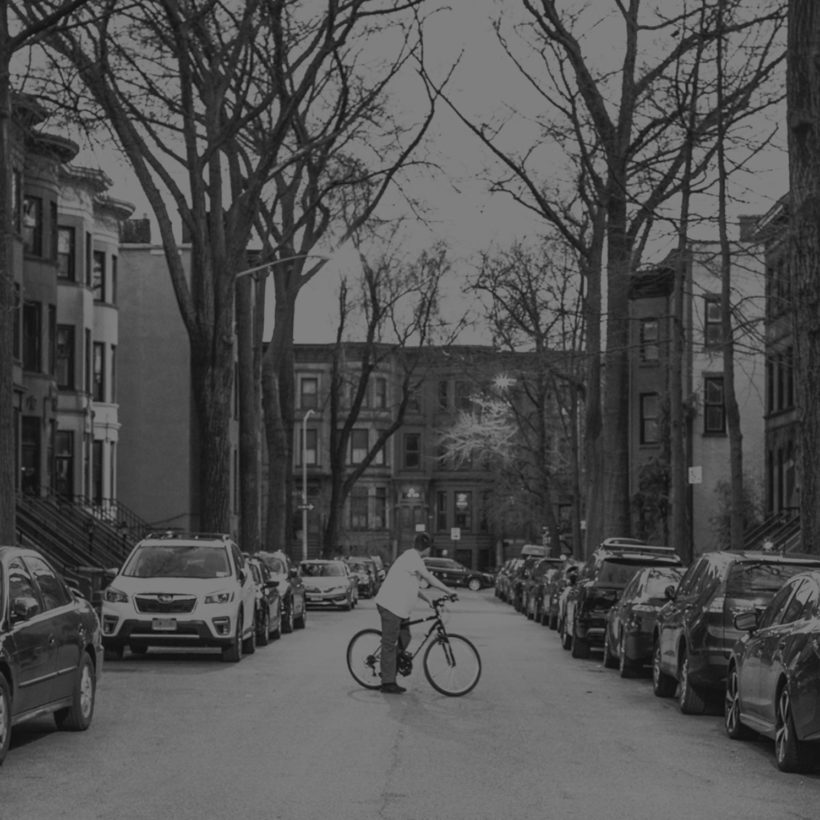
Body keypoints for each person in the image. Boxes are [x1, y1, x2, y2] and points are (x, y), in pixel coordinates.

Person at [373, 532, 455, 694]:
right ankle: (387, 682)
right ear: (427, 548)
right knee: (389, 644)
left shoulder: (413, 559)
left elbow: (415, 587)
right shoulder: (411, 557)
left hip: (400, 609)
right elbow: (429, 578)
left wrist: (429, 600)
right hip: (390, 606)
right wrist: (449, 590)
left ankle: (390, 666)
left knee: (405, 637)